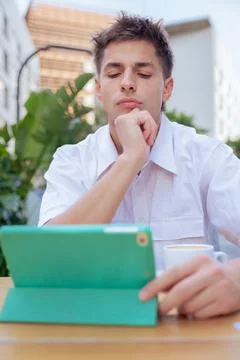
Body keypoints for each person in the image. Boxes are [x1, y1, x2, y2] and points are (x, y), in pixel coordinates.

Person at [39, 13, 240, 319]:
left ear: (167, 88)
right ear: (99, 88)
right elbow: (49, 262)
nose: (128, 84)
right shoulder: (71, 161)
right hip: (93, 333)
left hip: (190, 335)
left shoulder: (206, 157)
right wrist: (130, 159)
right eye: (114, 73)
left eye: (144, 74)